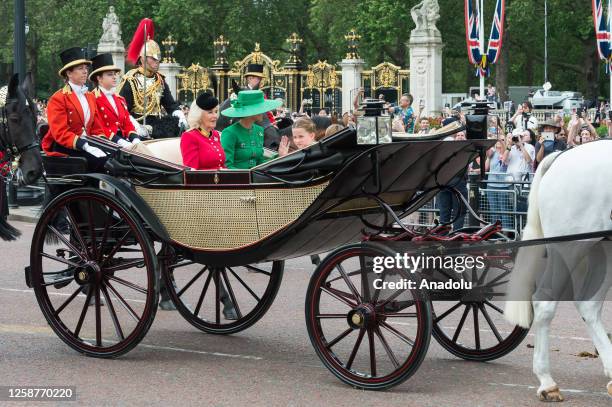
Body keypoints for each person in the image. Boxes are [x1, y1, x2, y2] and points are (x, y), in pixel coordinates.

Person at [118, 18, 187, 139]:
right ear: (143, 58)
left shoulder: (159, 80)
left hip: (157, 126)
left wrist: (180, 115)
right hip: (136, 127)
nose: (157, 62)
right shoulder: (131, 80)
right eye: (153, 58)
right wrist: (135, 126)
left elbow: (170, 104)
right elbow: (123, 110)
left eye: (158, 58)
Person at [42, 47, 108, 171]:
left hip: (87, 145)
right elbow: (60, 133)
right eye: (80, 68)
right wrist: (85, 146)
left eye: (86, 68)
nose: (85, 71)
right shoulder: (58, 98)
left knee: (117, 159)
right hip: (66, 148)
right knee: (103, 162)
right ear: (69, 73)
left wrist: (106, 145)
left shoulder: (90, 96)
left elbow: (96, 128)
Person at [221, 90, 288, 169]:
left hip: (256, 179)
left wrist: (279, 157)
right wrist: (247, 176)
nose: (264, 111)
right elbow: (226, 166)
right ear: (251, 111)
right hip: (237, 180)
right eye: (260, 108)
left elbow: (260, 163)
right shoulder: (230, 133)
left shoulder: (259, 130)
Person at [89, 53, 141, 148]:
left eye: (115, 74)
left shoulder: (120, 99)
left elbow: (127, 123)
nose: (114, 77)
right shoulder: (92, 99)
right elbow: (99, 127)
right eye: (110, 75)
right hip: (107, 143)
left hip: (125, 141)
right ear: (99, 78)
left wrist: (135, 138)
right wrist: (119, 141)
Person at [180, 92, 225, 170]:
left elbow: (221, 165)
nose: (215, 116)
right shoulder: (189, 137)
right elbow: (191, 172)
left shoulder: (215, 134)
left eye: (216, 112)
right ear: (199, 115)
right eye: (210, 112)